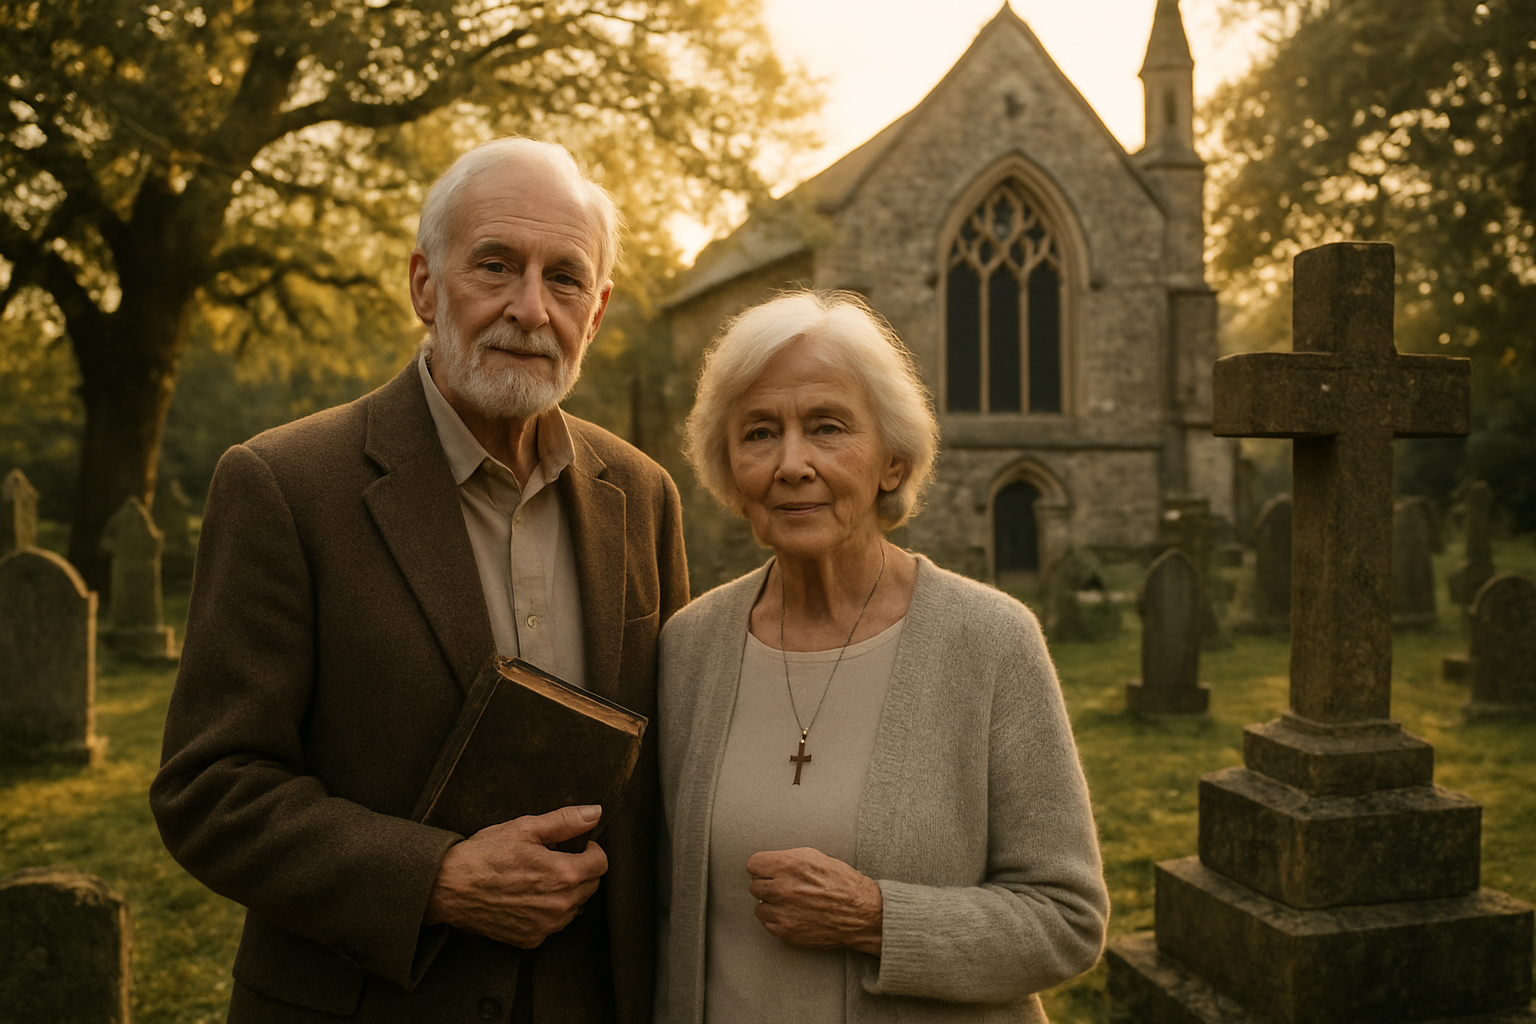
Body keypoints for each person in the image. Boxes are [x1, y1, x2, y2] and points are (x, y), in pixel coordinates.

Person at [151, 137, 688, 1023]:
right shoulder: (285, 485)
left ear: (594, 315)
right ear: (424, 286)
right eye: (494, 265)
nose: (529, 308)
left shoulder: (643, 494)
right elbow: (209, 790)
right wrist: (434, 878)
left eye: (563, 278)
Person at [655, 291, 1107, 1023]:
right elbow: (664, 915)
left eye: (827, 428)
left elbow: (1067, 921)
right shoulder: (688, 648)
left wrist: (875, 917)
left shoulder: (991, 642)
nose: (792, 463)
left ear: (893, 462)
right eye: (760, 433)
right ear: (728, 467)